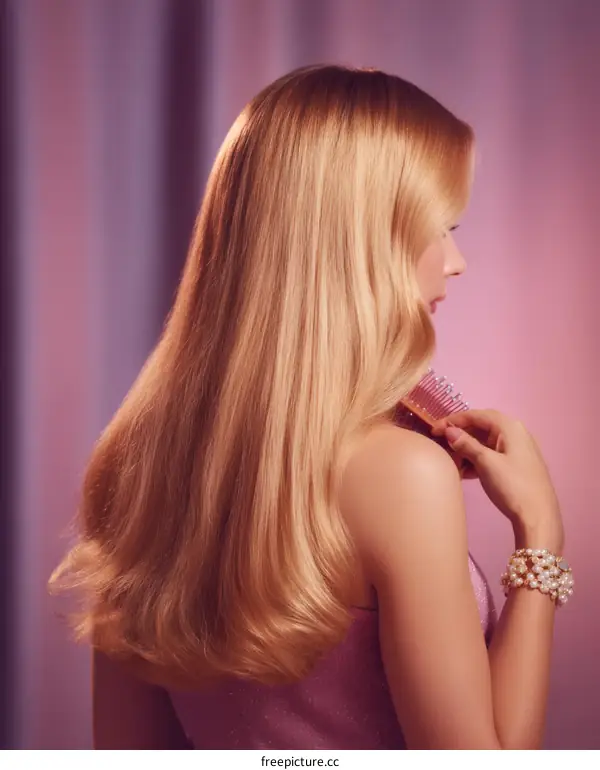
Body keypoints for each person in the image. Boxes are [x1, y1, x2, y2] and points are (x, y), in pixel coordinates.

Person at [49, 64, 568, 750]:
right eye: (441, 226)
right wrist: (539, 540)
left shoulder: (132, 464)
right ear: (361, 246)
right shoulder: (402, 478)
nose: (456, 261)